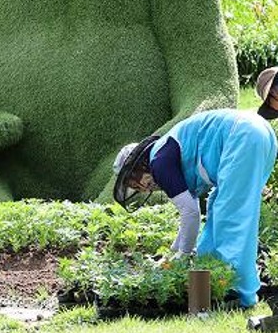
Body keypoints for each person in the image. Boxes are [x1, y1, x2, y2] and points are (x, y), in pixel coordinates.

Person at [112, 86, 278, 309]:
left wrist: (183, 256)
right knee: (218, 206)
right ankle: (213, 275)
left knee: (232, 216)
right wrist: (173, 253)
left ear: (137, 167)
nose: (142, 188)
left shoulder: (159, 162)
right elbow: (190, 216)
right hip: (259, 133)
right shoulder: (165, 153)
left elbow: (190, 213)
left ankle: (238, 294)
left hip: (243, 137)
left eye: (134, 183)